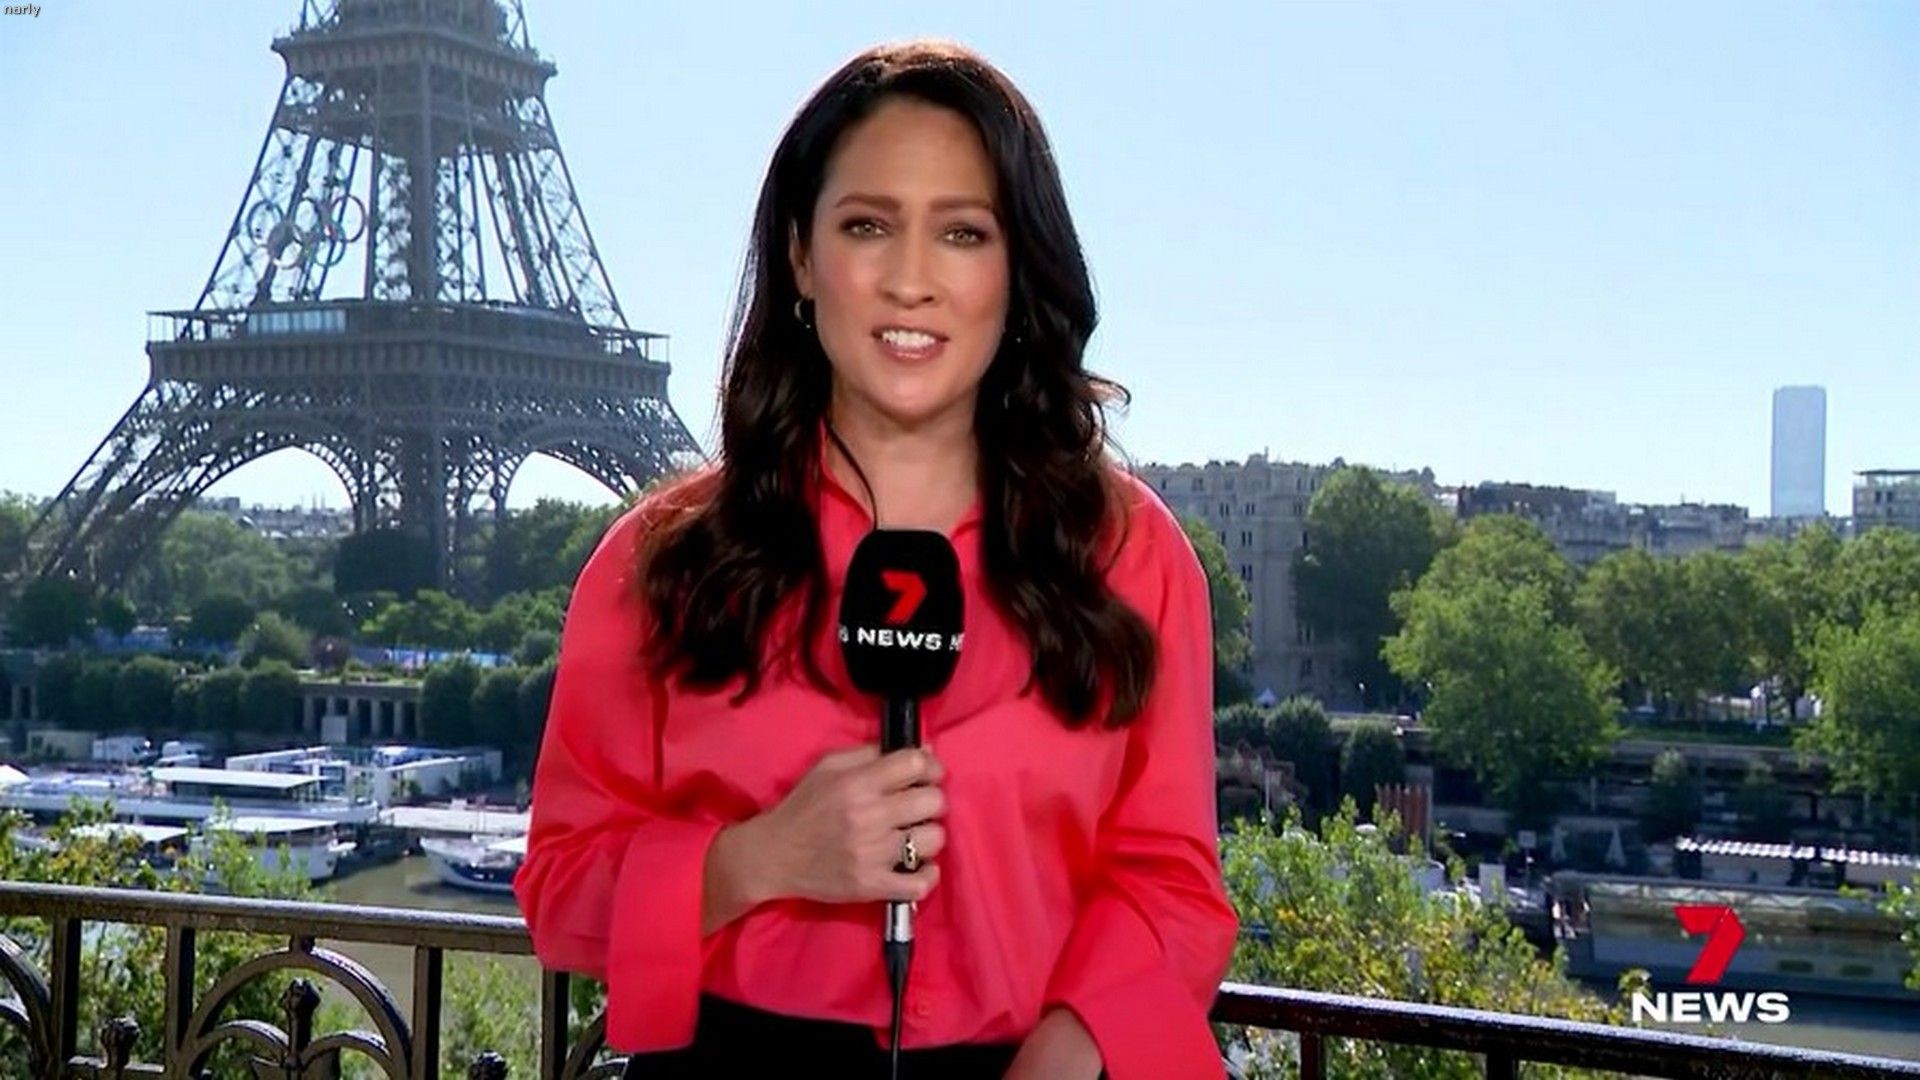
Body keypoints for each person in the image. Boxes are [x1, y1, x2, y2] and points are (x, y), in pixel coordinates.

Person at [514, 39, 1238, 1080]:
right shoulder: (662, 559)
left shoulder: (1131, 556)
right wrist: (756, 859)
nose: (910, 281)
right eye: (867, 226)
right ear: (802, 260)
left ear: (1015, 269)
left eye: (962, 232)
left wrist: (1072, 1047)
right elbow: (560, 891)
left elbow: (1172, 883)